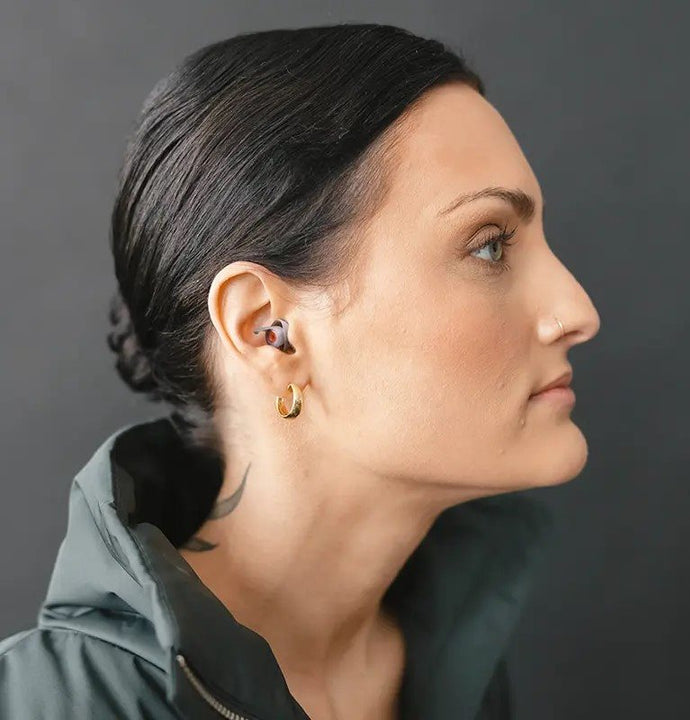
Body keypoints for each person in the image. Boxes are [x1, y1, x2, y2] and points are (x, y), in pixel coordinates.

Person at [0, 21, 601, 720]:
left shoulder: (454, 666)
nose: (577, 310)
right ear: (270, 332)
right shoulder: (49, 706)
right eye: (490, 245)